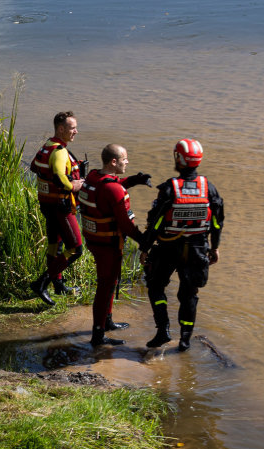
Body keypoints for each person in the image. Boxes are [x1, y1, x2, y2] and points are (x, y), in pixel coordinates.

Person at [141, 139, 224, 351]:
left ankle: (163, 330)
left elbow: (156, 222)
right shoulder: (209, 188)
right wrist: (215, 247)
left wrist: (144, 248)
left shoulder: (171, 188)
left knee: (156, 286)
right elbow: (216, 222)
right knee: (189, 294)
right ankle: (185, 340)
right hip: (197, 249)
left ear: (178, 159)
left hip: (168, 248)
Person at [77, 144, 152, 346]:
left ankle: (107, 321)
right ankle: (98, 335)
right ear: (114, 162)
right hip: (108, 244)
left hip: (94, 239)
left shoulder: (93, 177)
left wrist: (135, 180)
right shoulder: (113, 189)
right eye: (124, 159)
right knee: (105, 286)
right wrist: (144, 240)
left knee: (110, 283)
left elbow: (110, 185)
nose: (127, 162)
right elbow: (126, 225)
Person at [29, 111, 86, 305]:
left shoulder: (47, 146)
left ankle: (59, 285)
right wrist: (75, 185)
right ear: (61, 129)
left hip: (47, 204)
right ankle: (41, 283)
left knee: (55, 245)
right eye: (72, 128)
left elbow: (34, 166)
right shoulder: (60, 151)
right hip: (60, 207)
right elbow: (61, 178)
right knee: (76, 248)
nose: (76, 131)